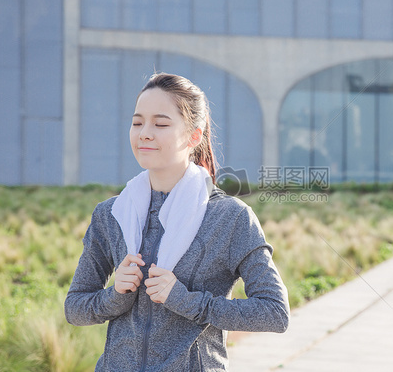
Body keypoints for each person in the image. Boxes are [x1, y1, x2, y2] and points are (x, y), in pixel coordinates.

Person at [64, 73, 290, 371]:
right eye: (137, 122)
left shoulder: (230, 217)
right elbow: (75, 308)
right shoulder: (111, 214)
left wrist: (187, 301)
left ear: (194, 135)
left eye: (160, 124)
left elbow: (274, 312)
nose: (145, 133)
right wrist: (114, 295)